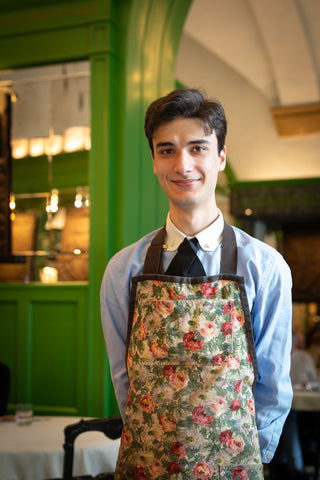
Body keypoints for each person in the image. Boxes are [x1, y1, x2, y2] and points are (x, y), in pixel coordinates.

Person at [100, 88, 293, 479]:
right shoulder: (123, 269)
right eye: (167, 150)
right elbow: (125, 379)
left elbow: (273, 382)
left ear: (221, 157)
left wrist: (252, 457)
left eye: (198, 148)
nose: (182, 164)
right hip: (145, 466)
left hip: (233, 467)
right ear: (154, 160)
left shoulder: (265, 266)